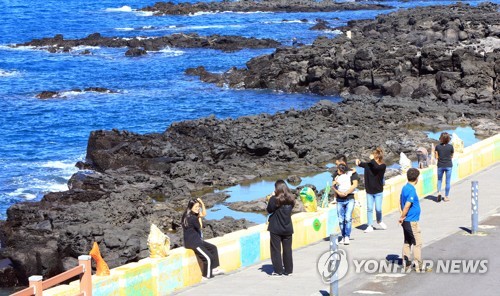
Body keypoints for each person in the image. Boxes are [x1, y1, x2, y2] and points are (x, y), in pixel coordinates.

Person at [182, 198, 224, 279]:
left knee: (213, 248)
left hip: (197, 240)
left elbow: (204, 214)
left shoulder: (187, 214)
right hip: (193, 243)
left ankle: (214, 269)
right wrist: (199, 217)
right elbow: (200, 227)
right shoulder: (192, 218)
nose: (198, 208)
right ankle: (206, 276)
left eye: (198, 207)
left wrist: (201, 204)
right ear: (191, 207)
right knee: (208, 258)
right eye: (196, 207)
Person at [266, 180, 295, 277]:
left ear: (277, 189)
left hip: (276, 228)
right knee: (287, 250)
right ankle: (288, 270)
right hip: (287, 227)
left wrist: (271, 197)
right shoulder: (291, 199)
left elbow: (269, 210)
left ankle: (278, 270)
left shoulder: (274, 199)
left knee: (275, 250)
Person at [356, 147, 387, 233]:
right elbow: (361, 164)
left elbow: (376, 168)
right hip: (369, 191)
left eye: (374, 155)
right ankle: (370, 225)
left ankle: (379, 221)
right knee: (369, 208)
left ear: (377, 156)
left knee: (378, 209)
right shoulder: (368, 165)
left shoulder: (382, 166)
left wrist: (372, 160)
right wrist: (358, 162)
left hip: (378, 191)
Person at [399, 168, 424, 272]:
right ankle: (418, 265)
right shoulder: (412, 190)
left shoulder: (404, 188)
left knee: (407, 241)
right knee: (417, 243)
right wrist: (402, 217)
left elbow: (400, 202)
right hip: (412, 221)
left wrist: (402, 215)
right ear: (417, 179)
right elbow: (407, 205)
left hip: (407, 221)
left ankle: (406, 262)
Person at [332, 162, 359, 245]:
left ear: (341, 170)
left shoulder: (349, 174)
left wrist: (346, 193)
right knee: (341, 220)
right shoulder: (336, 177)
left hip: (349, 199)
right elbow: (333, 186)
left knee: (347, 218)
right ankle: (343, 236)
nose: (337, 171)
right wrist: (338, 192)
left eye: (338, 170)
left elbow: (354, 171)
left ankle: (347, 236)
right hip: (340, 200)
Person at [435, 132, 454, 202]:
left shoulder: (437, 147)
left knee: (439, 180)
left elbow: (436, 157)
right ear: (448, 139)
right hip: (448, 165)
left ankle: (439, 193)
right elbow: (452, 156)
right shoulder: (451, 147)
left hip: (440, 165)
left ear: (441, 139)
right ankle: (446, 196)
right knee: (448, 181)